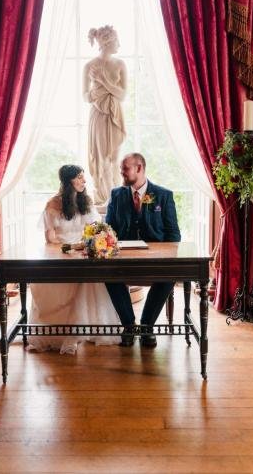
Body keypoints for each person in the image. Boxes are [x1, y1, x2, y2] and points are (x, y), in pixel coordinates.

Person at [28, 164, 120, 354]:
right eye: (79, 177)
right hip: (61, 254)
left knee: (89, 280)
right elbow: (50, 238)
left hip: (84, 254)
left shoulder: (86, 201)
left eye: (83, 177)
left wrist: (91, 244)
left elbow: (96, 229)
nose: (84, 181)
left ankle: (84, 329)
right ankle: (62, 334)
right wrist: (68, 249)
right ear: (68, 180)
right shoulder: (53, 204)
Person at [105, 153, 181, 347]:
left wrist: (164, 257)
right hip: (123, 259)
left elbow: (174, 235)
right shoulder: (116, 194)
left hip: (155, 260)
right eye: (121, 168)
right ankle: (129, 326)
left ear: (139, 168)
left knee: (168, 278)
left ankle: (147, 326)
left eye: (125, 168)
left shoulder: (164, 195)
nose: (121, 172)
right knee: (108, 277)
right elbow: (109, 230)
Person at [83, 25, 127, 205]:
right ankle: (109, 199)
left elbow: (122, 95)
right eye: (116, 41)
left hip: (115, 113)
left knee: (116, 159)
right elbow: (85, 96)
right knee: (103, 159)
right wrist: (96, 95)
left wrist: (102, 81)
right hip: (99, 114)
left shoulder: (120, 64)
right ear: (107, 42)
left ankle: (115, 196)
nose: (119, 45)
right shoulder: (89, 65)